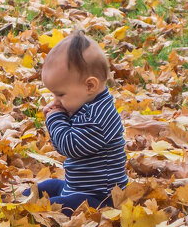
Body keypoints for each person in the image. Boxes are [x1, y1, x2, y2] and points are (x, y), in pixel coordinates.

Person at [34, 30, 127, 213]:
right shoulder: (88, 103)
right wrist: (60, 114)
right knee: (49, 185)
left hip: (100, 198)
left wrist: (55, 117)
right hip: (77, 188)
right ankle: (20, 199)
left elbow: (69, 146)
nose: (55, 101)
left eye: (60, 94)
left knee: (53, 205)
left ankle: (31, 209)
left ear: (90, 86)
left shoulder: (98, 118)